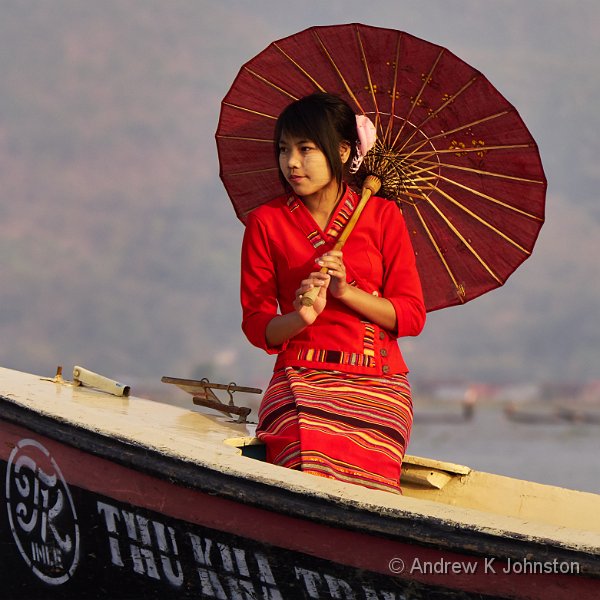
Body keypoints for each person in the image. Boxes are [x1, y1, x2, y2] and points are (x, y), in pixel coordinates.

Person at [240, 93, 426, 494]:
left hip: (378, 382)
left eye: (306, 149)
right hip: (299, 379)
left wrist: (347, 291)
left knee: (370, 487)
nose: (291, 163)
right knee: (300, 456)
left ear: (343, 151)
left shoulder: (383, 215)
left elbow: (411, 316)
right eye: (284, 149)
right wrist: (299, 318)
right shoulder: (265, 222)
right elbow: (258, 326)